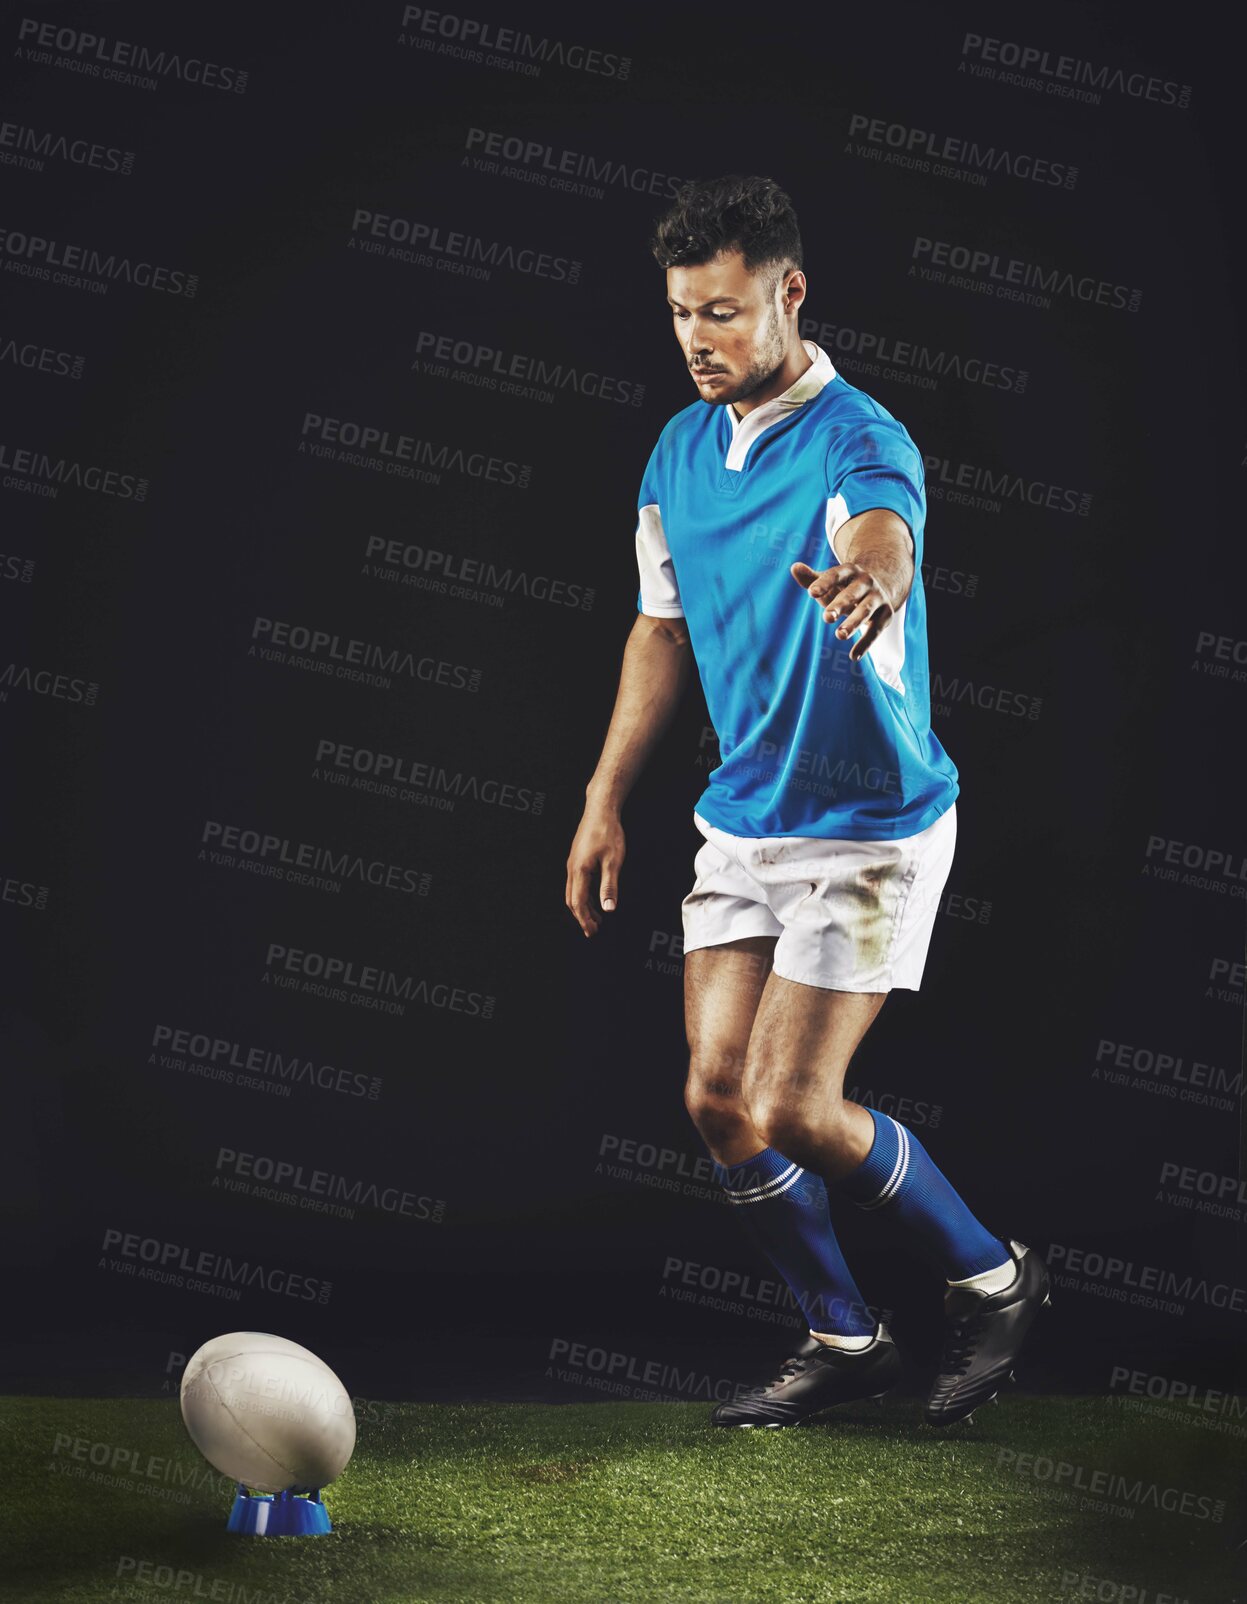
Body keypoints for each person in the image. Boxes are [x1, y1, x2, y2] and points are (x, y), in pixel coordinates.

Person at [565, 174, 1049, 1428]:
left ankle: (993, 1280)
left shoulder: (859, 437)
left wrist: (872, 583)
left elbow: (882, 533)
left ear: (787, 293)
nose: (696, 339)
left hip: (869, 826)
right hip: (744, 812)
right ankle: (843, 1335)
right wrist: (603, 797)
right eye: (678, 314)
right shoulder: (676, 448)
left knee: (790, 1102)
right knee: (717, 1099)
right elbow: (659, 629)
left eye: (721, 312)